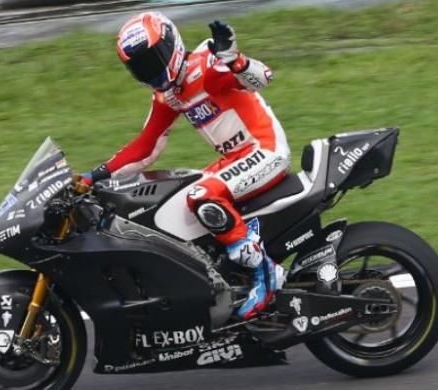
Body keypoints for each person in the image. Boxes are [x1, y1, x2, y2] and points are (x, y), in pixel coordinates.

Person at [83, 11, 289, 320]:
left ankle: (266, 273)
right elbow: (146, 146)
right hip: (235, 159)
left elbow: (263, 78)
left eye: (153, 60)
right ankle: (228, 281)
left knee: (201, 195)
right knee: (175, 205)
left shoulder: (207, 62)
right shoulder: (168, 95)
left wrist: (235, 60)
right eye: (140, 67)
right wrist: (94, 175)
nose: (150, 71)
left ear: (172, 44)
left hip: (264, 150)